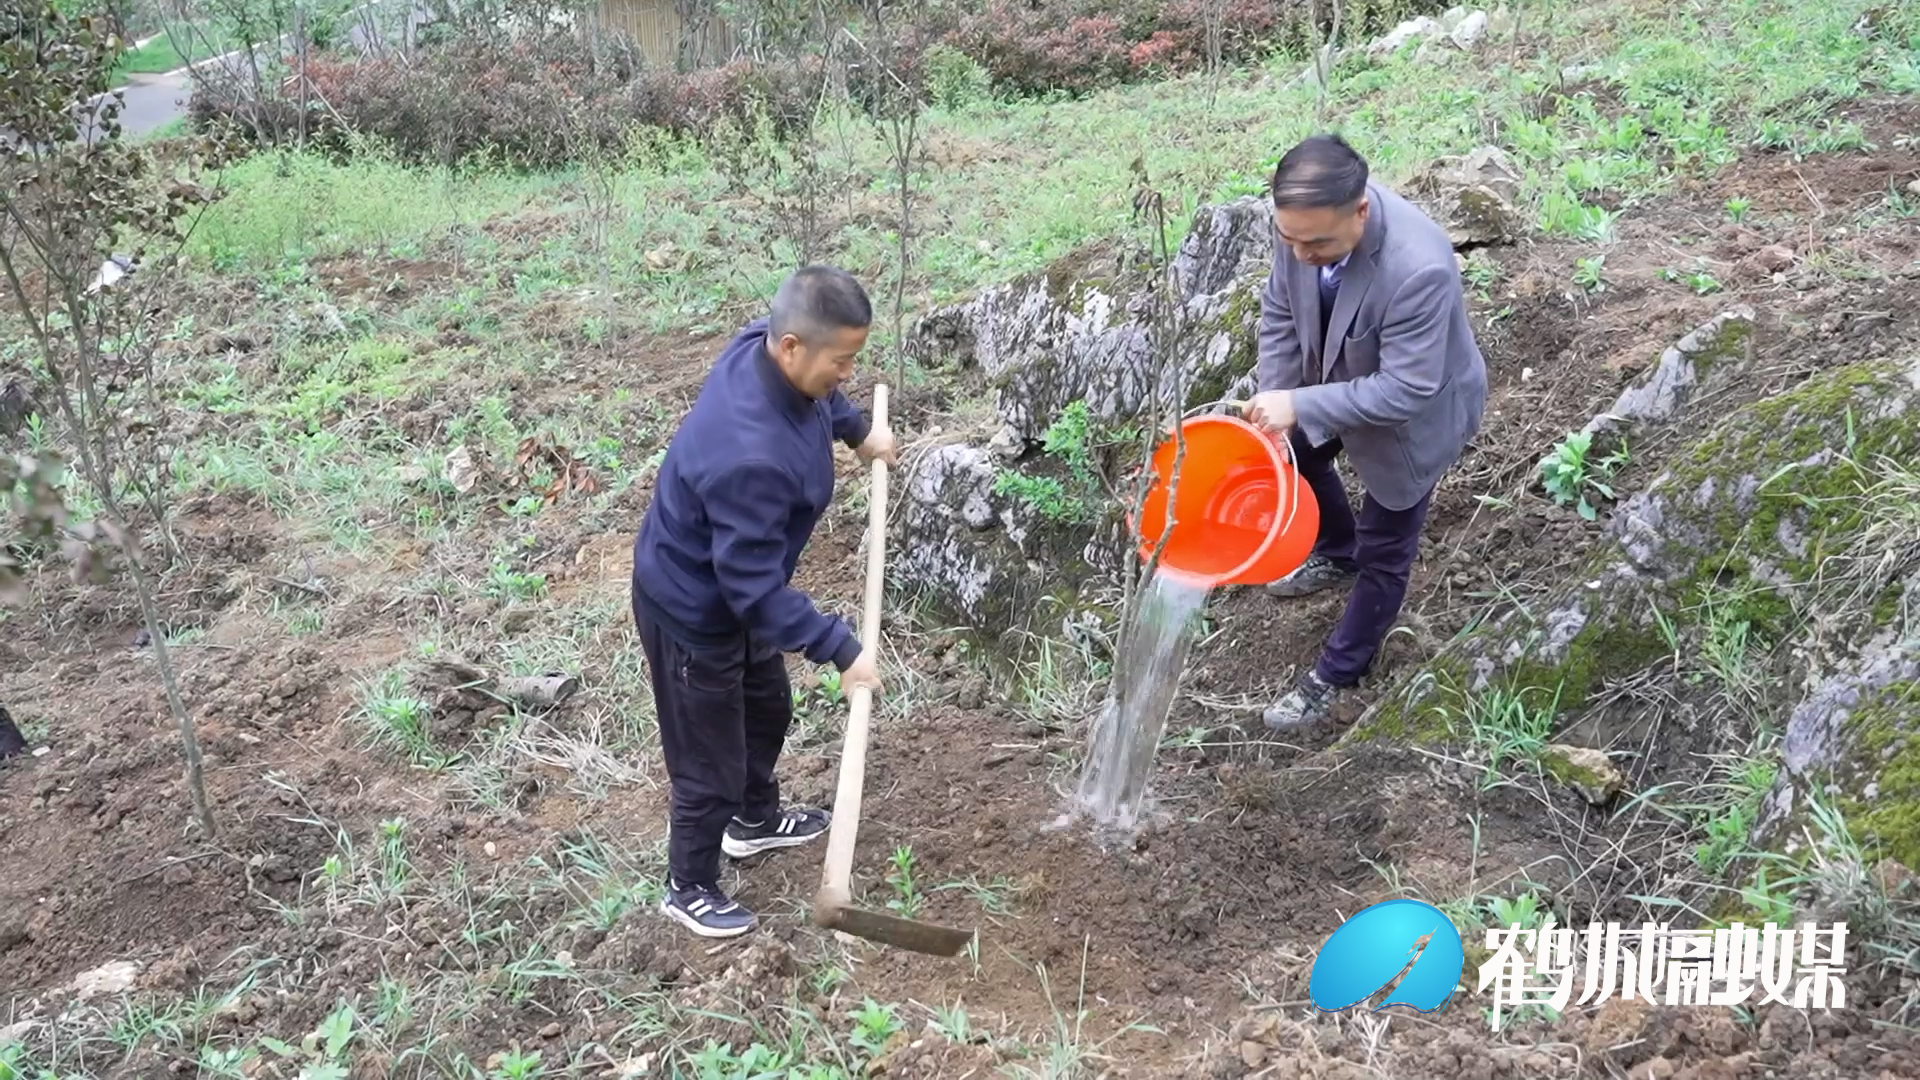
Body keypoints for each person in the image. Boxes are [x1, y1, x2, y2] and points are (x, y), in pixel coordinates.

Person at [630, 265, 896, 939]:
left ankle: (753, 820)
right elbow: (751, 592)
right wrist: (841, 650)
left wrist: (858, 431)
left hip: (739, 589)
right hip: (694, 609)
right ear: (791, 348)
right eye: (843, 361)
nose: (847, 373)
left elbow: (819, 399)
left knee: (768, 706)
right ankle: (688, 884)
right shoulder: (749, 455)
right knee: (707, 761)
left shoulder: (770, 347)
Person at [1243, 134, 1488, 731]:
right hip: (1335, 374)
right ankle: (1336, 550)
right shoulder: (1302, 228)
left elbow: (1406, 389)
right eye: (1289, 240)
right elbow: (1280, 312)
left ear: (1361, 210)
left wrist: (1299, 402)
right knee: (1292, 454)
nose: (1300, 254)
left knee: (1387, 546)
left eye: (1317, 244)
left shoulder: (1418, 267)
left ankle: (1337, 672)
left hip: (1415, 417)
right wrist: (1278, 399)